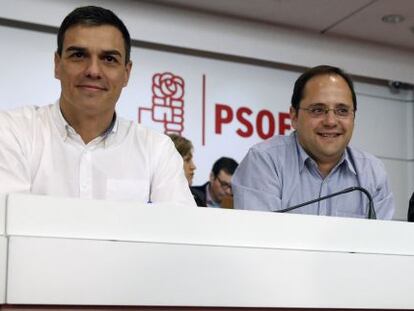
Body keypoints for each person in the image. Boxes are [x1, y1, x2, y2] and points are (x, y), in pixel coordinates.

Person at [0, 6, 195, 206]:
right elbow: (7, 227)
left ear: (126, 73)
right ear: (57, 64)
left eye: (109, 59)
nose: (93, 70)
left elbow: (181, 233)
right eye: (78, 55)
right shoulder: (13, 132)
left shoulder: (157, 150)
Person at [232, 65, 394, 219]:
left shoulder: (372, 172)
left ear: (354, 117)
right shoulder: (264, 162)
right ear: (294, 116)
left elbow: (380, 245)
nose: (331, 121)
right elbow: (260, 242)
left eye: (342, 111)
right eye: (317, 110)